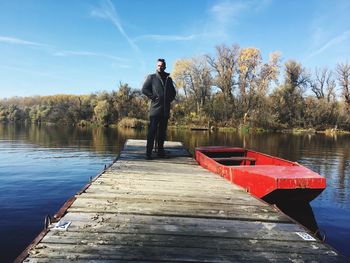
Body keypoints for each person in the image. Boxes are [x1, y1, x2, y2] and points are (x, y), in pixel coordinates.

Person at [142, 58, 176, 160]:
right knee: (152, 132)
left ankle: (160, 152)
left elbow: (173, 93)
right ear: (156, 66)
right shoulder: (151, 77)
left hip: (165, 111)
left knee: (162, 132)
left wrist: (168, 100)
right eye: (158, 65)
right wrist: (153, 97)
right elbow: (144, 89)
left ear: (165, 67)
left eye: (162, 66)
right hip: (155, 110)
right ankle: (148, 153)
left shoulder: (168, 79)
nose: (160, 67)